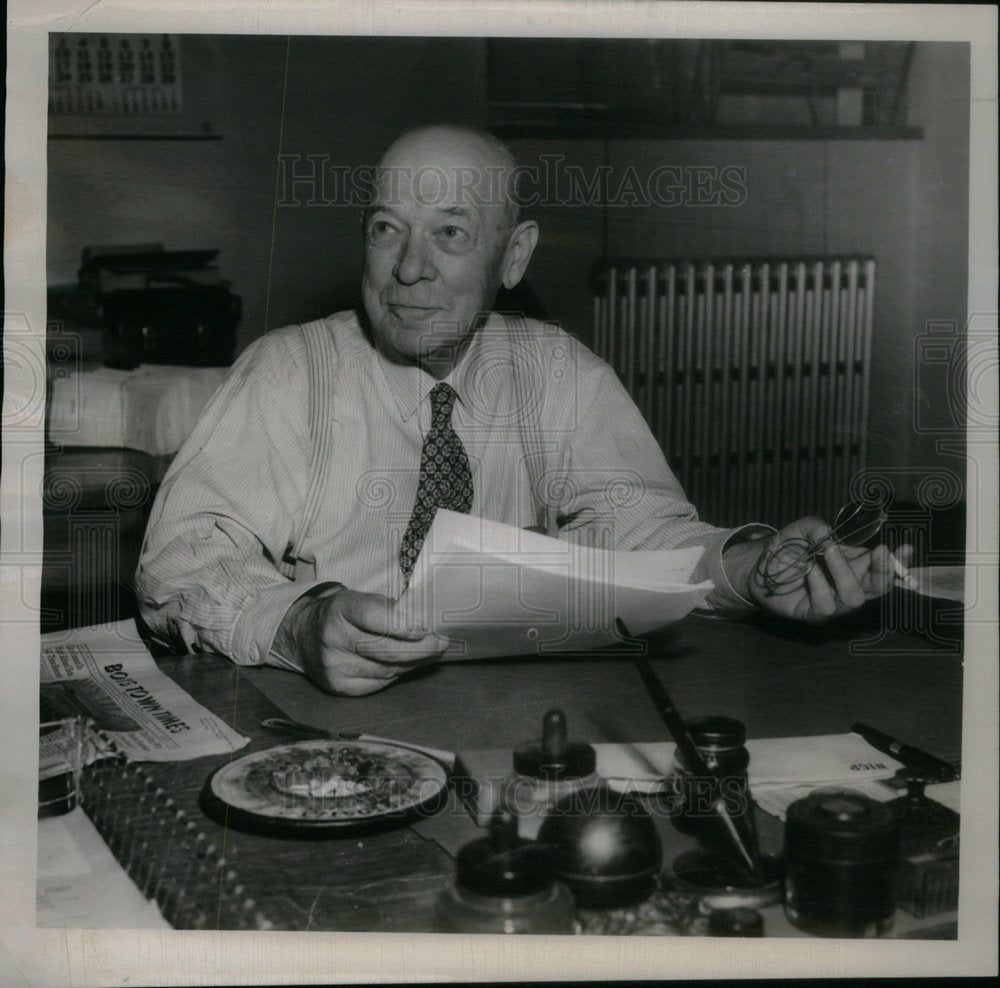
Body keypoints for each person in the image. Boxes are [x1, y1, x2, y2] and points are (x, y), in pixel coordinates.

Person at [136, 125, 907, 696]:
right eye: (385, 229)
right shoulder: (291, 371)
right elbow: (181, 561)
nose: (408, 267)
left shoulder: (557, 371)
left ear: (513, 257)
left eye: (449, 234)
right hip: (313, 716)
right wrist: (300, 624)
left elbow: (638, 534)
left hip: (509, 715)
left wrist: (748, 571)